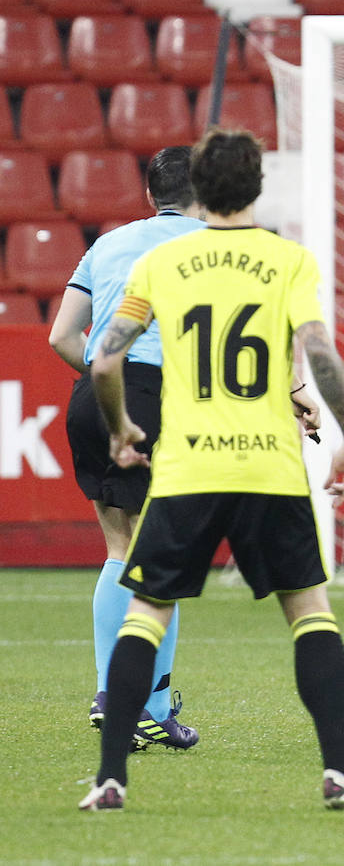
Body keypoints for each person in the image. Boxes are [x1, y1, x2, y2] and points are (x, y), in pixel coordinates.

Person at [78, 128, 344, 811]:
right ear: (257, 189)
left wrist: (122, 428)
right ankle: (340, 773)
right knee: (308, 611)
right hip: (267, 467)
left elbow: (103, 359)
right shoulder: (288, 262)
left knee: (147, 610)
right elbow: (318, 350)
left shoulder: (161, 264)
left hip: (189, 467)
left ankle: (110, 778)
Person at [48, 147, 205, 750]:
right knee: (161, 555)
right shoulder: (214, 248)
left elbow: (63, 334)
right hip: (154, 393)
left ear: (150, 197)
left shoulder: (108, 243)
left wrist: (101, 386)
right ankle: (126, 698)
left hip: (96, 392)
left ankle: (144, 705)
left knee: (122, 548)